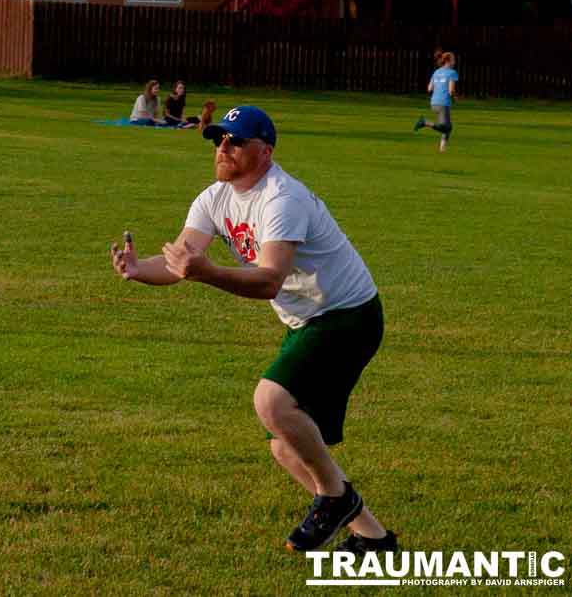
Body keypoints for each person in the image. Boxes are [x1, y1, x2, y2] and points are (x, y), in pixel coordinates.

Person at [109, 105, 397, 554]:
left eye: (236, 140)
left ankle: (335, 498)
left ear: (266, 151)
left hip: (348, 315)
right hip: (308, 320)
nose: (223, 146)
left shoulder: (282, 198)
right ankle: (372, 536)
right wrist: (137, 269)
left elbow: (268, 281)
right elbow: (180, 261)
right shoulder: (214, 198)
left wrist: (204, 272)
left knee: (272, 401)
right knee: (286, 446)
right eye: (218, 139)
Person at [414, 50, 458, 152]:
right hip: (443, 103)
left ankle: (442, 148)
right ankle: (424, 122)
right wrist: (455, 97)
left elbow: (429, 88)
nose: (455, 62)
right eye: (453, 60)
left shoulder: (436, 72)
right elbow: (451, 91)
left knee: (449, 126)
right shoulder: (452, 73)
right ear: (448, 61)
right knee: (445, 127)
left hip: (434, 102)